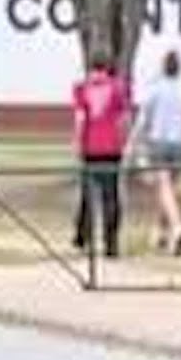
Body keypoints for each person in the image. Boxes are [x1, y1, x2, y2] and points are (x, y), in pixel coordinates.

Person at [132, 50, 181, 256]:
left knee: (164, 188)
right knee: (168, 190)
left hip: (159, 143)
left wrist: (134, 142)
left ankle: (177, 228)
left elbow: (143, 120)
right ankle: (159, 232)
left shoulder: (154, 90)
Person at [71, 53, 131, 260]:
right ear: (107, 67)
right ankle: (111, 243)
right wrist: (123, 141)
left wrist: (78, 142)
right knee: (111, 194)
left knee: (87, 193)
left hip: (90, 146)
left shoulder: (82, 88)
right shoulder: (117, 88)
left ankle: (83, 235)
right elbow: (123, 119)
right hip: (112, 147)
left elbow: (80, 119)